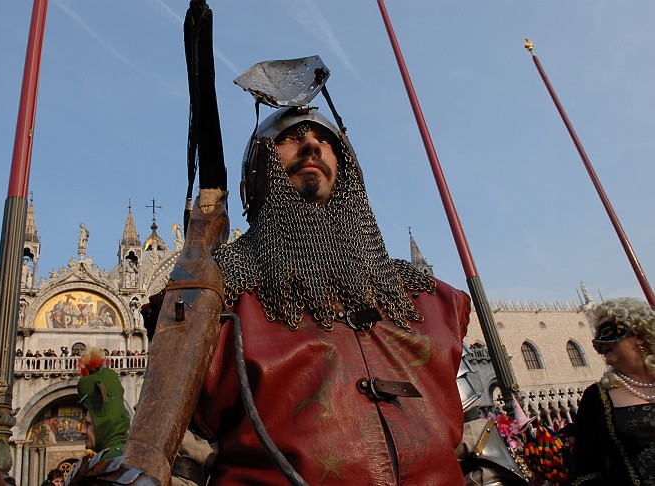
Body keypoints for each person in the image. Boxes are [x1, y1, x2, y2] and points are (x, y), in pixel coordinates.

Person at [130, 91, 471, 482]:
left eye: (324, 141)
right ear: (257, 177)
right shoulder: (215, 300)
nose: (311, 144)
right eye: (290, 138)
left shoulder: (425, 300)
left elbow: (477, 443)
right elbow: (175, 461)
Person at [572, 297, 655, 484]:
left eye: (609, 332)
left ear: (639, 335)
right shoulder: (596, 398)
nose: (600, 342)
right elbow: (585, 472)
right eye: (598, 335)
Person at [76, 347, 129, 460]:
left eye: (88, 424)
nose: (82, 431)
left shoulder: (109, 463)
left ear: (105, 422)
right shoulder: (128, 453)